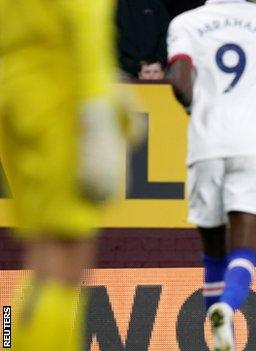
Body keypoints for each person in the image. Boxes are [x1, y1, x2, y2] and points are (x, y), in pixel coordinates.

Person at [167, 1, 256, 349]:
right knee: (244, 248)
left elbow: (181, 85)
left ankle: (216, 334)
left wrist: (196, 109)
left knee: (213, 251)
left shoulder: (186, 22)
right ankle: (227, 308)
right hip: (252, 143)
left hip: (206, 143)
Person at [0, 0, 128, 350]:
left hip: (16, 95)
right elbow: (84, 22)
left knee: (42, 258)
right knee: (65, 260)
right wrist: (99, 111)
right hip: (60, 104)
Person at [117, 0, 170, 77]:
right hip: (124, 69)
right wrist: (135, 66)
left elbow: (165, 34)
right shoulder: (112, 6)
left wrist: (158, 62)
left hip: (156, 66)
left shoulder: (155, 3)